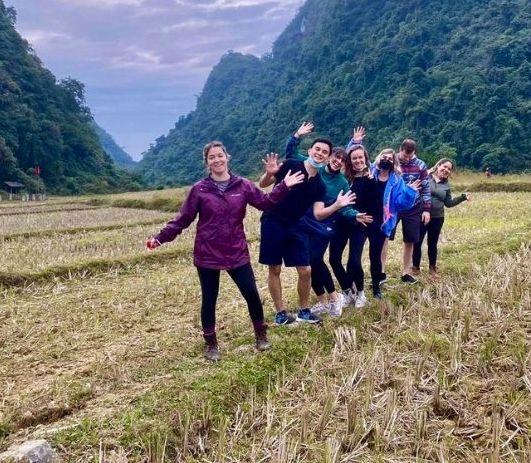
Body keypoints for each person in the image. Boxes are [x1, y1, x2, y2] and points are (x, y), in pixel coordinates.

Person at [146, 141, 305, 362]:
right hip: (207, 253)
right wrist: (160, 238)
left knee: (251, 294)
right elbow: (183, 219)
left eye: (220, 156)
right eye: (212, 157)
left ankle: (261, 336)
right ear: (207, 162)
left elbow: (266, 203)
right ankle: (211, 345)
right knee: (209, 299)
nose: (217, 160)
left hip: (236, 250)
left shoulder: (243, 185)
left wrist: (283, 184)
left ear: (227, 158)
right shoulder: (199, 189)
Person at [258, 138, 356, 326]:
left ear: (327, 158)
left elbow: (319, 214)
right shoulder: (291, 165)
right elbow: (264, 184)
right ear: (310, 150)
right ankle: (280, 313)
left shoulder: (319, 185)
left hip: (296, 225)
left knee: (306, 269)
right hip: (273, 221)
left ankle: (304, 311)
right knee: (275, 268)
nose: (319, 153)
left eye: (324, 152)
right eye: (317, 149)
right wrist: (268, 174)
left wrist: (336, 205)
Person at [284, 123, 372, 316]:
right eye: (336, 157)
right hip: (304, 222)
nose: (338, 161)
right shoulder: (316, 168)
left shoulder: (341, 182)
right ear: (330, 157)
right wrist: (297, 136)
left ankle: (335, 297)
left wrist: (355, 215)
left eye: (342, 159)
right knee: (307, 263)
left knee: (315, 258)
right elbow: (291, 154)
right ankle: (323, 300)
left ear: (344, 164)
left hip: (325, 226)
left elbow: (346, 206)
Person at [329, 142, 382, 307]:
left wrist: (371, 181)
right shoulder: (344, 177)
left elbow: (375, 201)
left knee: (354, 260)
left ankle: (360, 292)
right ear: (349, 161)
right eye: (354, 158)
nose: (358, 160)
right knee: (334, 259)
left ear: (365, 159)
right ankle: (347, 291)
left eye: (360, 157)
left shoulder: (371, 178)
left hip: (360, 222)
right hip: (343, 221)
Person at [412, 158, 469, 278]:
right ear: (438, 166)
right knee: (417, 242)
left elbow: (448, 203)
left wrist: (462, 197)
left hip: (437, 217)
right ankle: (415, 267)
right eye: (445, 167)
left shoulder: (446, 186)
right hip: (421, 215)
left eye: (449, 169)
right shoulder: (426, 177)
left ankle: (432, 269)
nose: (446, 170)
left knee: (432, 243)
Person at [395, 139, 431, 284]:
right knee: (384, 237)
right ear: (400, 150)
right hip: (395, 205)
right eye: (405, 156)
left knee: (410, 240)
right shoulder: (393, 162)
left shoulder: (420, 165)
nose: (407, 159)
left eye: (410, 156)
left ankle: (406, 272)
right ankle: (380, 272)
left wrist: (427, 209)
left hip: (413, 206)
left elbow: (426, 188)